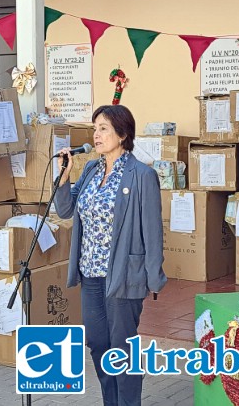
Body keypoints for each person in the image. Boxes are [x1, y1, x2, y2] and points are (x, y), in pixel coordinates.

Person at [54, 104, 167, 406]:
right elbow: (66, 210)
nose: (97, 135)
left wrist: (154, 278)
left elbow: (153, 230)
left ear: (123, 133)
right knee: (98, 344)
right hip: (90, 273)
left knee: (121, 348)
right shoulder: (91, 169)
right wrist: (64, 177)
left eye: (103, 128)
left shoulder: (141, 175)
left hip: (123, 275)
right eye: (95, 129)